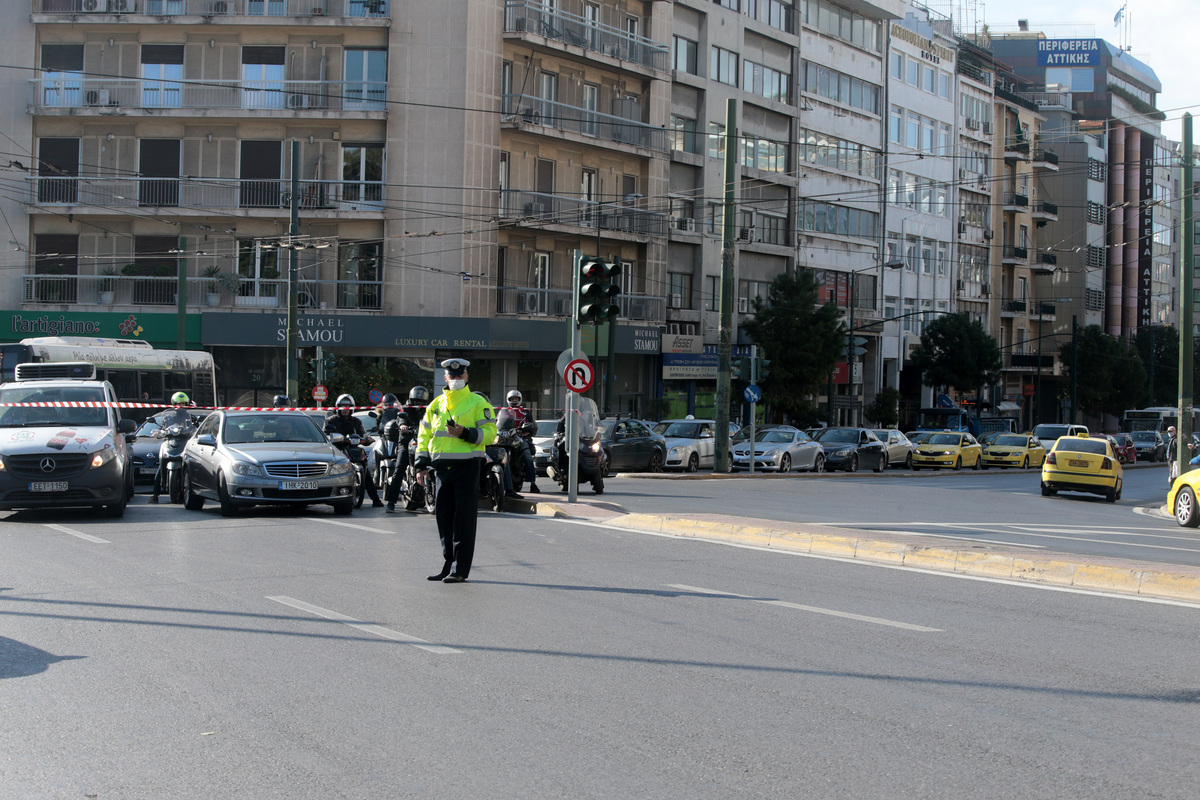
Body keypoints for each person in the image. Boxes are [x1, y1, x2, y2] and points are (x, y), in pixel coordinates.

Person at [414, 359, 496, 583]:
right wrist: (420, 465)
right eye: (453, 376)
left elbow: (490, 434)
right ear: (445, 378)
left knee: (464, 521)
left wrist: (465, 433)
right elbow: (424, 437)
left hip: (467, 468)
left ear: (467, 377)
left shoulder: (477, 402)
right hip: (441, 470)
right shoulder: (436, 404)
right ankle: (447, 565)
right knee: (444, 520)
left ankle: (460, 570)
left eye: (461, 376)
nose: (457, 380)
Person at [324, 393, 383, 507]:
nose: (345, 410)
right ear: (338, 407)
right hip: (338, 450)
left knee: (365, 471)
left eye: (347, 407)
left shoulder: (356, 421)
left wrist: (367, 439)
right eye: (342, 407)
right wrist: (335, 438)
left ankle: (376, 499)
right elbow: (326, 434)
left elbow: (362, 434)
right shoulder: (331, 420)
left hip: (353, 449)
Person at [384, 386, 430, 513]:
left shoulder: (428, 410)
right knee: (399, 469)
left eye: (421, 402)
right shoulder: (405, 408)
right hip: (406, 442)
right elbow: (401, 418)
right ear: (411, 399)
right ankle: (391, 502)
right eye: (416, 401)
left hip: (424, 442)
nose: (418, 404)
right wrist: (403, 425)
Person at [149, 391, 197, 504]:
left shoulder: (189, 416)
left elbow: (193, 427)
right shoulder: (168, 416)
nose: (180, 405)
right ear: (173, 403)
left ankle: (194, 492)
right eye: (178, 403)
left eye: (183, 403)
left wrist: (192, 430)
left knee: (190, 465)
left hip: (183, 441)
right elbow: (163, 427)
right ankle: (155, 494)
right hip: (170, 441)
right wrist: (160, 432)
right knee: (160, 467)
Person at [502, 389, 539, 495]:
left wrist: (527, 425)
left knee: (527, 456)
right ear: (508, 400)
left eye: (516, 399)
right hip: (508, 438)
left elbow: (532, 425)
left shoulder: (525, 412)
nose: (514, 400)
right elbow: (498, 423)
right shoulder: (504, 411)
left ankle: (533, 483)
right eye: (512, 399)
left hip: (521, 438)